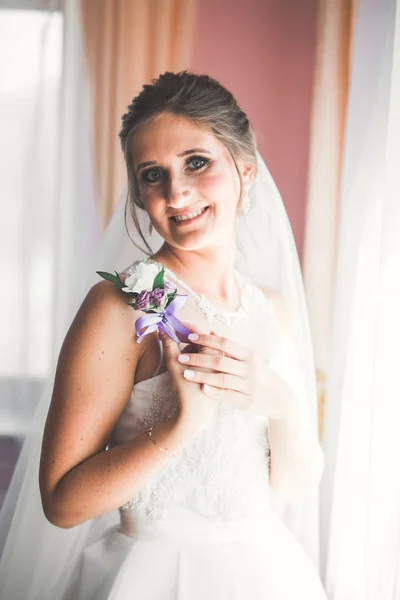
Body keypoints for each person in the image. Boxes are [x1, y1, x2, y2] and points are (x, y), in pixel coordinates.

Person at [0, 71, 327, 599]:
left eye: (197, 162)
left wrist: (282, 403)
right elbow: (61, 503)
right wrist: (177, 430)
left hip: (265, 571)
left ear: (245, 170)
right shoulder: (122, 306)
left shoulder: (275, 311)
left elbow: (291, 485)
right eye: (152, 175)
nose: (176, 193)